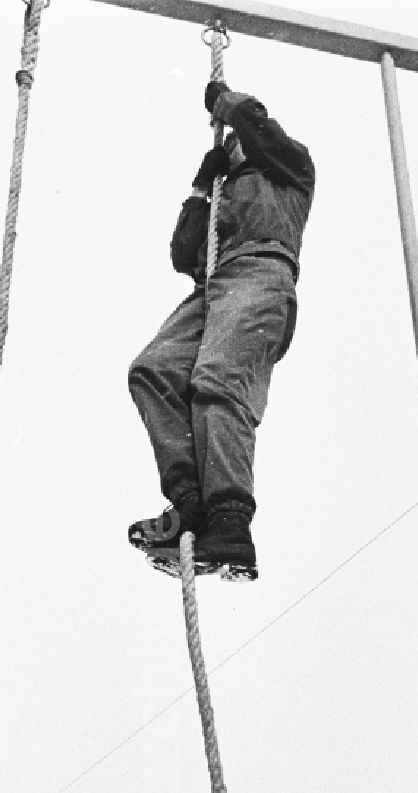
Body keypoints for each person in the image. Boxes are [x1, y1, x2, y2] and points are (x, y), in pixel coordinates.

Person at [127, 80, 315, 583]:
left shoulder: (290, 167)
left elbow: (256, 128)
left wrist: (227, 104)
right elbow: (183, 257)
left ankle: (230, 522)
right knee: (154, 370)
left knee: (218, 379)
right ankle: (192, 501)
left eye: (237, 141)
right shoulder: (223, 194)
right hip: (215, 284)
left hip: (260, 273)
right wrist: (198, 192)